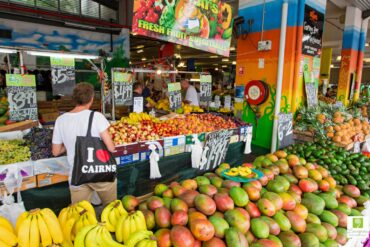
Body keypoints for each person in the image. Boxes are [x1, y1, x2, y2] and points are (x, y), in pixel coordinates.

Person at [52, 82, 116, 205]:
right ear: (91, 99)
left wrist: (71, 143)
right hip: (100, 171)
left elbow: (56, 152)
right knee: (112, 208)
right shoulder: (97, 116)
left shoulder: (61, 120)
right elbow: (111, 147)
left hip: (77, 174)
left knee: (81, 213)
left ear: (74, 99)